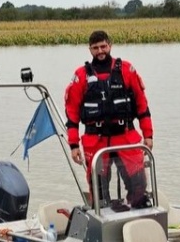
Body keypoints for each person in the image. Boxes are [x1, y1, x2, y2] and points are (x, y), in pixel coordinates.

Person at [64, 30, 153, 208]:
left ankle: (136, 213)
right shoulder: (80, 76)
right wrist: (73, 145)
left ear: (110, 46)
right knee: (99, 189)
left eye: (103, 46)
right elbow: (71, 112)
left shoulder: (127, 70)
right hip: (95, 141)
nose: (100, 51)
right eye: (95, 48)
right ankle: (103, 216)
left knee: (138, 185)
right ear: (90, 50)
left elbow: (142, 105)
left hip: (126, 137)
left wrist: (148, 135)